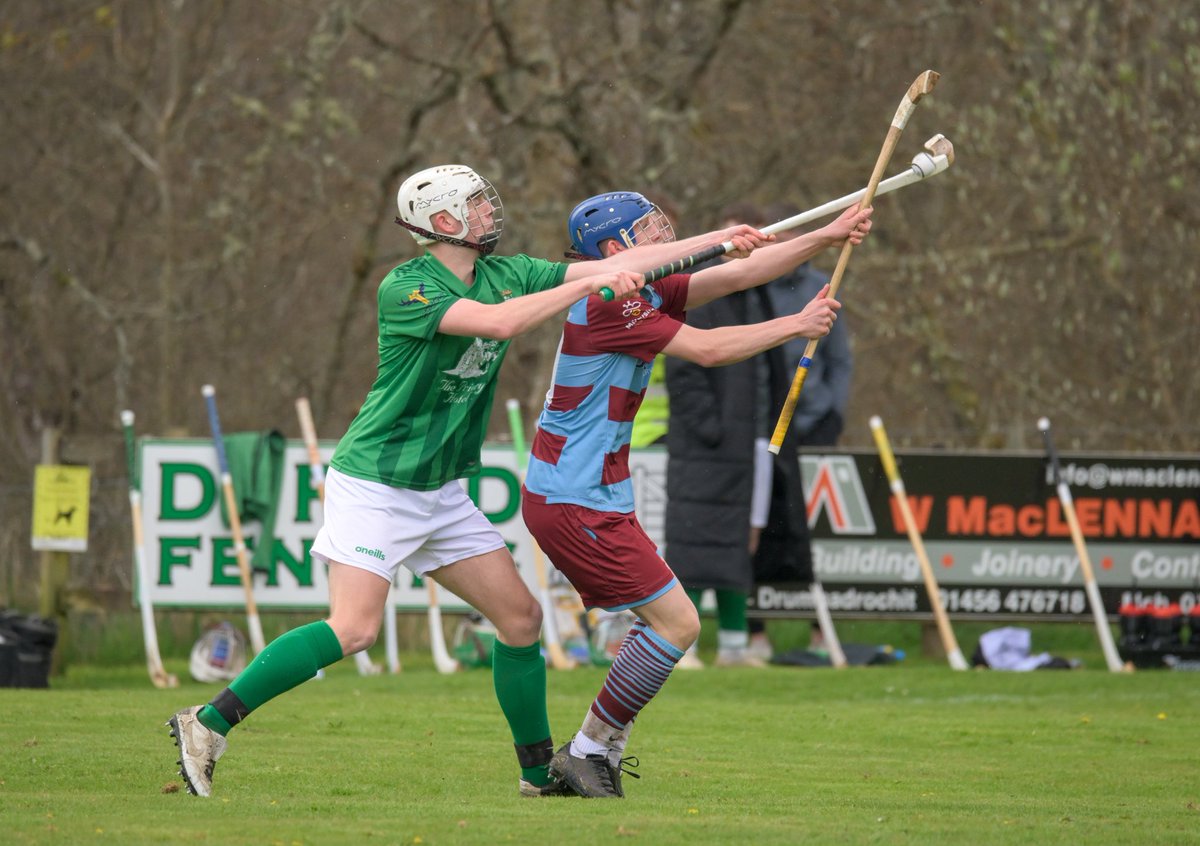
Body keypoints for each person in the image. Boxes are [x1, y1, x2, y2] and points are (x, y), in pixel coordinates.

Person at [164, 164, 771, 799]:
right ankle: (206, 724)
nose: (490, 211)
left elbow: (610, 267)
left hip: (441, 492)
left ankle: (539, 777)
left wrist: (716, 242)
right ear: (445, 222)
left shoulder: (502, 270)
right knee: (356, 629)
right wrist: (595, 281)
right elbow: (500, 324)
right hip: (377, 483)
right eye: (477, 204)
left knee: (520, 619)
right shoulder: (407, 288)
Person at [520, 190, 872, 797]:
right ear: (613, 250)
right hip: (572, 498)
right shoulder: (609, 303)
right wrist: (797, 324)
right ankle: (585, 752)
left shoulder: (645, 289)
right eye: (650, 229)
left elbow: (739, 274)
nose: (666, 234)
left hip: (588, 495)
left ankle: (589, 753)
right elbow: (707, 350)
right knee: (678, 623)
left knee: (664, 623)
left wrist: (828, 234)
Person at [744, 200, 855, 661]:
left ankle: (819, 631)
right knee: (758, 528)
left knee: (807, 532)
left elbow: (840, 362)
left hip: (810, 426)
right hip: (765, 426)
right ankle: (755, 632)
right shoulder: (754, 289)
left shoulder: (822, 286)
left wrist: (829, 412)